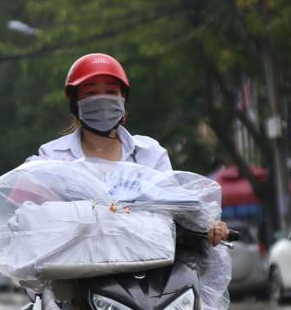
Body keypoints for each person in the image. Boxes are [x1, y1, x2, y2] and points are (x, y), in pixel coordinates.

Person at [32, 52, 229, 246]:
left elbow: (176, 206)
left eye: (110, 92)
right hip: (73, 271)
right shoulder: (51, 158)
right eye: (91, 93)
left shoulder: (149, 153)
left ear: (123, 98)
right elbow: (27, 215)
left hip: (150, 269)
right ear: (74, 102)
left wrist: (208, 224)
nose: (102, 100)